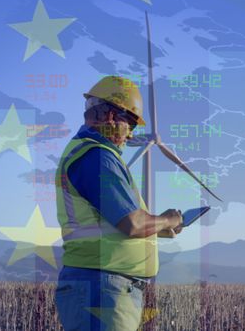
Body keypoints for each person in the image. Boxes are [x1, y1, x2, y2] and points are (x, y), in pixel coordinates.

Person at [54, 76, 183, 330]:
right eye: (131, 123)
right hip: (101, 288)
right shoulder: (96, 156)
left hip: (102, 286)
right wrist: (169, 219)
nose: (132, 133)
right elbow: (132, 223)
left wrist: (157, 229)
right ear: (112, 117)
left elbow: (110, 224)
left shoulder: (91, 153)